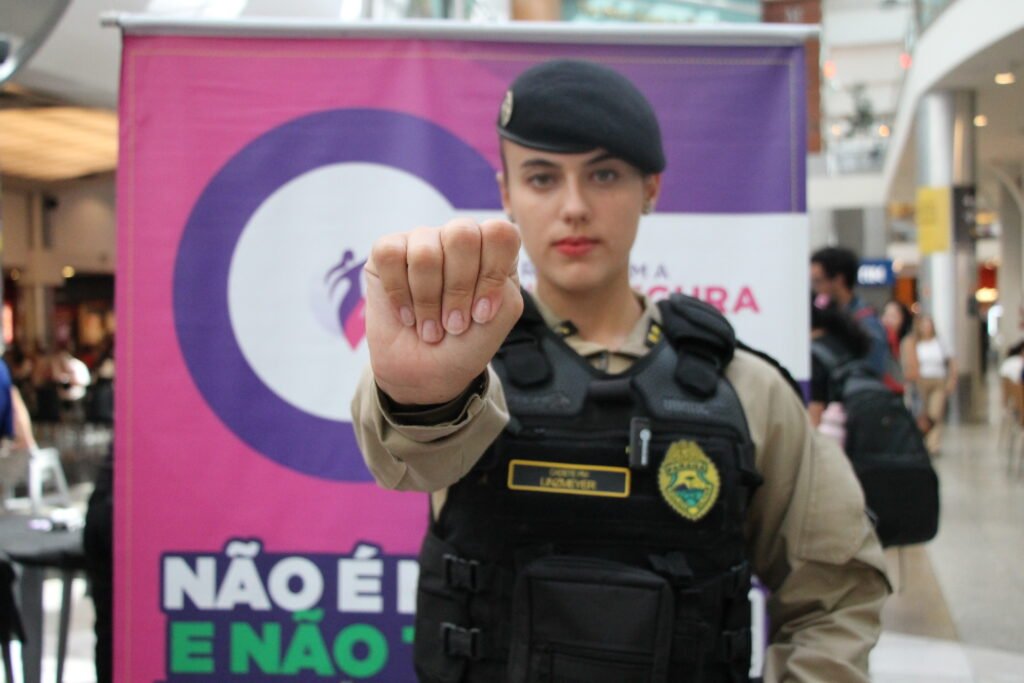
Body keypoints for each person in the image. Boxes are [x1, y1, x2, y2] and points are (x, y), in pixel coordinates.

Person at [352, 59, 889, 682]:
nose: (574, 208)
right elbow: (413, 454)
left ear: (651, 188)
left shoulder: (744, 390)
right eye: (543, 177)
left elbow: (837, 592)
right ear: (507, 193)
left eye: (604, 174)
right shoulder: (467, 371)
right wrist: (423, 396)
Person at [810, 248, 900, 392]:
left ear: (839, 280)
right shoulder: (827, 316)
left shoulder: (866, 323)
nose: (814, 288)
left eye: (818, 281)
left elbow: (873, 371)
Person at [809, 295, 873, 438]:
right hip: (859, 433)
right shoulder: (847, 344)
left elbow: (815, 416)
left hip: (835, 439)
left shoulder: (814, 355)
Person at [914, 315, 956, 455]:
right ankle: (922, 442)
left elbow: (951, 362)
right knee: (923, 413)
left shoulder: (940, 343)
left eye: (928, 325)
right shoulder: (916, 344)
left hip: (938, 380)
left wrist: (951, 380)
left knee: (935, 413)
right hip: (922, 381)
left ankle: (934, 444)